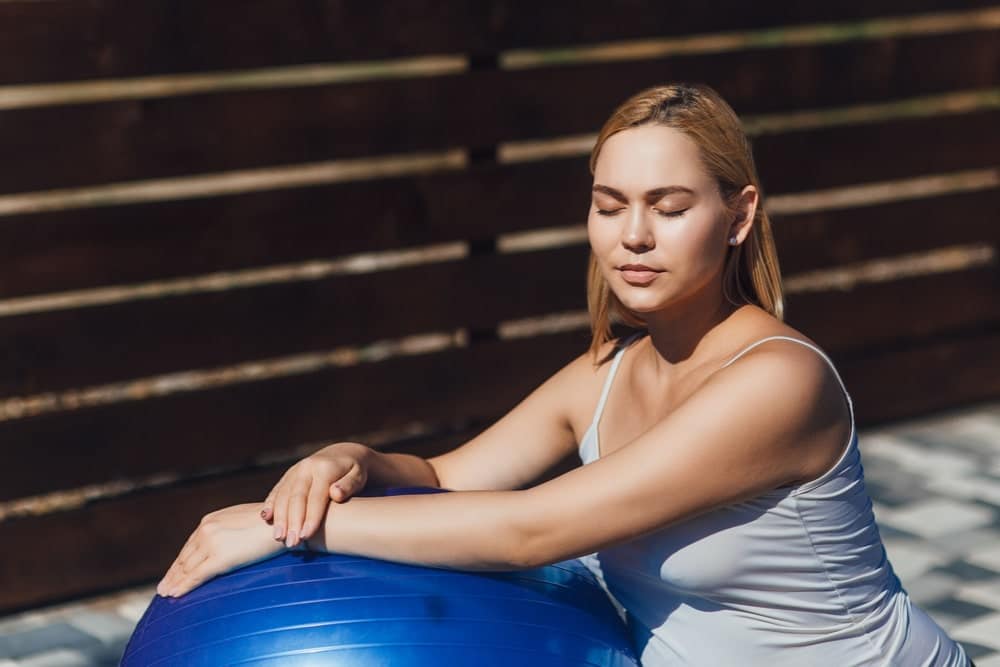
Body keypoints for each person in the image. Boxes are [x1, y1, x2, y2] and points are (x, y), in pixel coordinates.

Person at [157, 82, 973, 666]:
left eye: (670, 204)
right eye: (610, 203)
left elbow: (532, 528)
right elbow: (447, 476)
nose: (634, 235)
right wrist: (354, 459)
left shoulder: (781, 381)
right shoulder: (606, 372)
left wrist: (278, 530)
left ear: (740, 215)